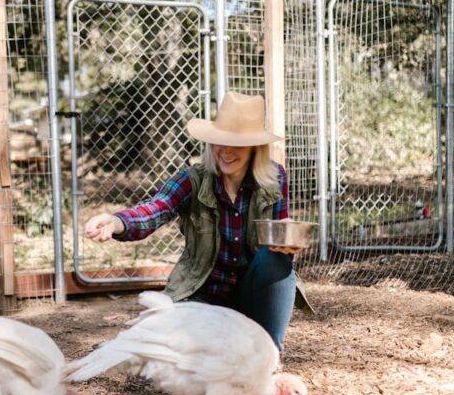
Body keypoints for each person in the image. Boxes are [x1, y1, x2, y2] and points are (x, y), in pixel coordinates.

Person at [84, 91, 308, 352]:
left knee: (275, 259)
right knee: (195, 352)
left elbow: (281, 238)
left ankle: (270, 355)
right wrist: (116, 222)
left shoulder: (275, 178)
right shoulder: (193, 179)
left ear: (254, 148)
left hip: (250, 298)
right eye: (219, 141)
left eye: (236, 144)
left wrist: (288, 245)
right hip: (201, 297)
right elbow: (156, 209)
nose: (225, 151)